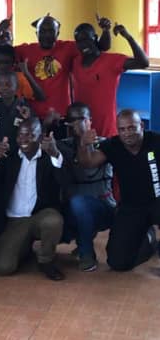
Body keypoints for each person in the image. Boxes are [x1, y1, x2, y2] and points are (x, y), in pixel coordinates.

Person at [77, 109, 160, 271]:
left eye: (131, 128)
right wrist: (84, 144)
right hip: (131, 207)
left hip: (158, 201)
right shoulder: (113, 145)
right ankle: (149, 240)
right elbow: (88, 162)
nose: (127, 133)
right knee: (118, 262)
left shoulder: (156, 140)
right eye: (122, 129)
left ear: (141, 126)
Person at [0, 117, 65, 280]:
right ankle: (24, 249)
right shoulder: (9, 157)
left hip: (40, 215)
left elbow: (66, 181)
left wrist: (55, 154)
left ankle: (46, 260)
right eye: (20, 135)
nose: (24, 140)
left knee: (53, 221)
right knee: (3, 267)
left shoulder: (48, 155)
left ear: (41, 135)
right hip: (15, 220)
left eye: (30, 135)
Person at [11, 14, 111, 122]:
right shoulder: (25, 50)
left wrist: (106, 30)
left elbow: (101, 47)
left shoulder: (68, 48)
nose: (47, 35)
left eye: (51, 31)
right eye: (43, 31)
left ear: (57, 33)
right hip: (33, 116)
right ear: (37, 33)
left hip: (61, 116)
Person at [58, 103, 116, 271]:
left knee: (80, 203)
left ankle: (86, 252)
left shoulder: (106, 144)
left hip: (103, 208)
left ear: (90, 121)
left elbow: (89, 165)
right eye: (72, 120)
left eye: (81, 119)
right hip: (72, 213)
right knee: (74, 204)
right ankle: (84, 244)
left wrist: (86, 143)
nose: (77, 124)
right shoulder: (63, 146)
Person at [71, 21, 149, 137]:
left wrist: (128, 37)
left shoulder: (111, 60)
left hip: (106, 131)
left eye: (86, 39)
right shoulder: (75, 62)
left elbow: (143, 62)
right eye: (79, 41)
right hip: (82, 132)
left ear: (95, 38)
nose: (83, 45)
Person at [0, 71, 30, 153]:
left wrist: (28, 119)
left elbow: (32, 131)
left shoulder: (24, 107)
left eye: (8, 84)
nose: (4, 87)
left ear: (17, 86)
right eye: (1, 84)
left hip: (18, 153)